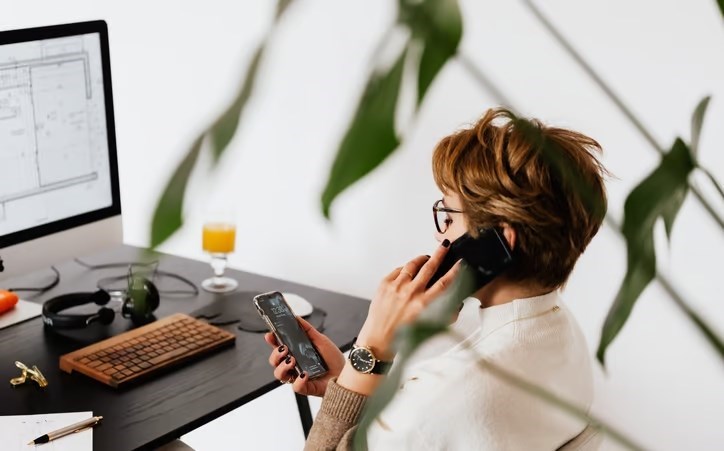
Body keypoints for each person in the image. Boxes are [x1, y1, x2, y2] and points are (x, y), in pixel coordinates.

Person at [265, 107, 608, 450]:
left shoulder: (440, 402)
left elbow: (429, 420)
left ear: (500, 238)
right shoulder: (560, 334)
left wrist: (372, 344)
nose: (439, 234)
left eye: (448, 215)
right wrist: (348, 379)